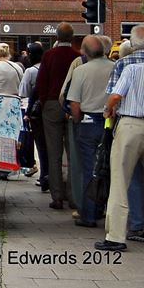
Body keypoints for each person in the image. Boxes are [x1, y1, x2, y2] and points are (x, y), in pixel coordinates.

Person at [97, 25, 144, 251]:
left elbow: (115, 96)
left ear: (132, 45)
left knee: (120, 180)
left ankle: (115, 236)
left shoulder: (129, 67)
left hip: (130, 124)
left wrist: (108, 109)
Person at [67, 35, 115, 228]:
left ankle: (89, 215)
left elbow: (74, 103)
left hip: (87, 123)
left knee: (89, 170)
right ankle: (106, 210)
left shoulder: (81, 71)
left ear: (84, 52)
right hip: (109, 122)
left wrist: (77, 121)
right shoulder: (115, 67)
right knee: (109, 169)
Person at [36, 22, 81, 209]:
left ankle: (57, 196)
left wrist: (45, 101)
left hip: (53, 104)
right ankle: (73, 196)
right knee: (73, 154)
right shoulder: (78, 57)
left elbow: (41, 82)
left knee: (53, 152)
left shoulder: (49, 56)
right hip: (73, 105)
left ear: (57, 37)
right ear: (72, 38)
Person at [0, 43, 24, 178]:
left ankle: (1, 165)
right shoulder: (18, 67)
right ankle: (11, 167)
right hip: (14, 104)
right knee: (11, 136)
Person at [19, 42, 46, 183]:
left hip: (34, 110)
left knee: (38, 143)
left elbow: (24, 92)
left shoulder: (30, 71)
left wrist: (27, 113)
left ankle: (41, 174)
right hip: (48, 109)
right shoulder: (47, 68)